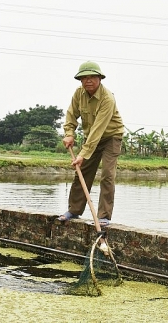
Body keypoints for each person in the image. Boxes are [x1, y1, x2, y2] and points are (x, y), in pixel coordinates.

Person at [57, 61, 124, 227]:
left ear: (100, 78)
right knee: (82, 172)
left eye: (92, 77)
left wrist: (82, 154)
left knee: (108, 175)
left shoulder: (107, 98)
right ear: (80, 80)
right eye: (84, 78)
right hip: (91, 138)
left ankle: (104, 217)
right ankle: (74, 210)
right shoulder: (79, 93)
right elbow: (71, 114)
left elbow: (98, 130)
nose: (88, 81)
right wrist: (69, 133)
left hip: (111, 137)